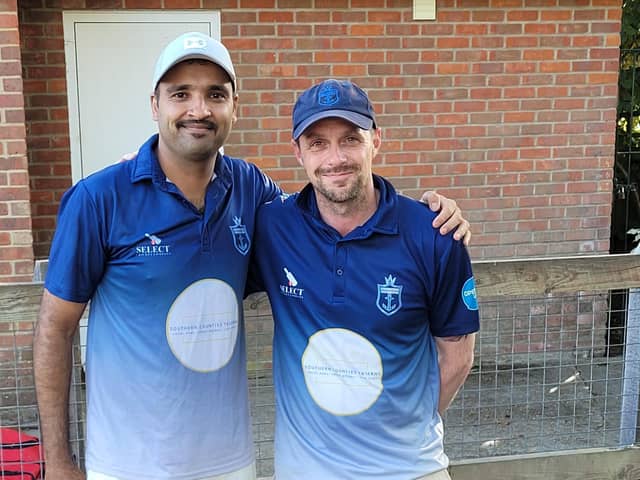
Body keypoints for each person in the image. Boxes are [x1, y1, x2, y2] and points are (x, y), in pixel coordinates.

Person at [33, 32, 469, 480]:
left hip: (231, 461)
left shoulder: (249, 189)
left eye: (215, 95)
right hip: (128, 465)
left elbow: (326, 213)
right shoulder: (99, 199)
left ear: (234, 106)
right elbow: (55, 326)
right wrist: (60, 462)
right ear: (155, 105)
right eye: (181, 94)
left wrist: (433, 213)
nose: (198, 109)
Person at [248, 79, 480, 480]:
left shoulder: (434, 234)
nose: (335, 157)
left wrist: (405, 426)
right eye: (318, 142)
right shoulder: (273, 226)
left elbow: (457, 355)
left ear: (375, 140)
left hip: (410, 469)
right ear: (298, 151)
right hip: (305, 470)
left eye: (350, 139)